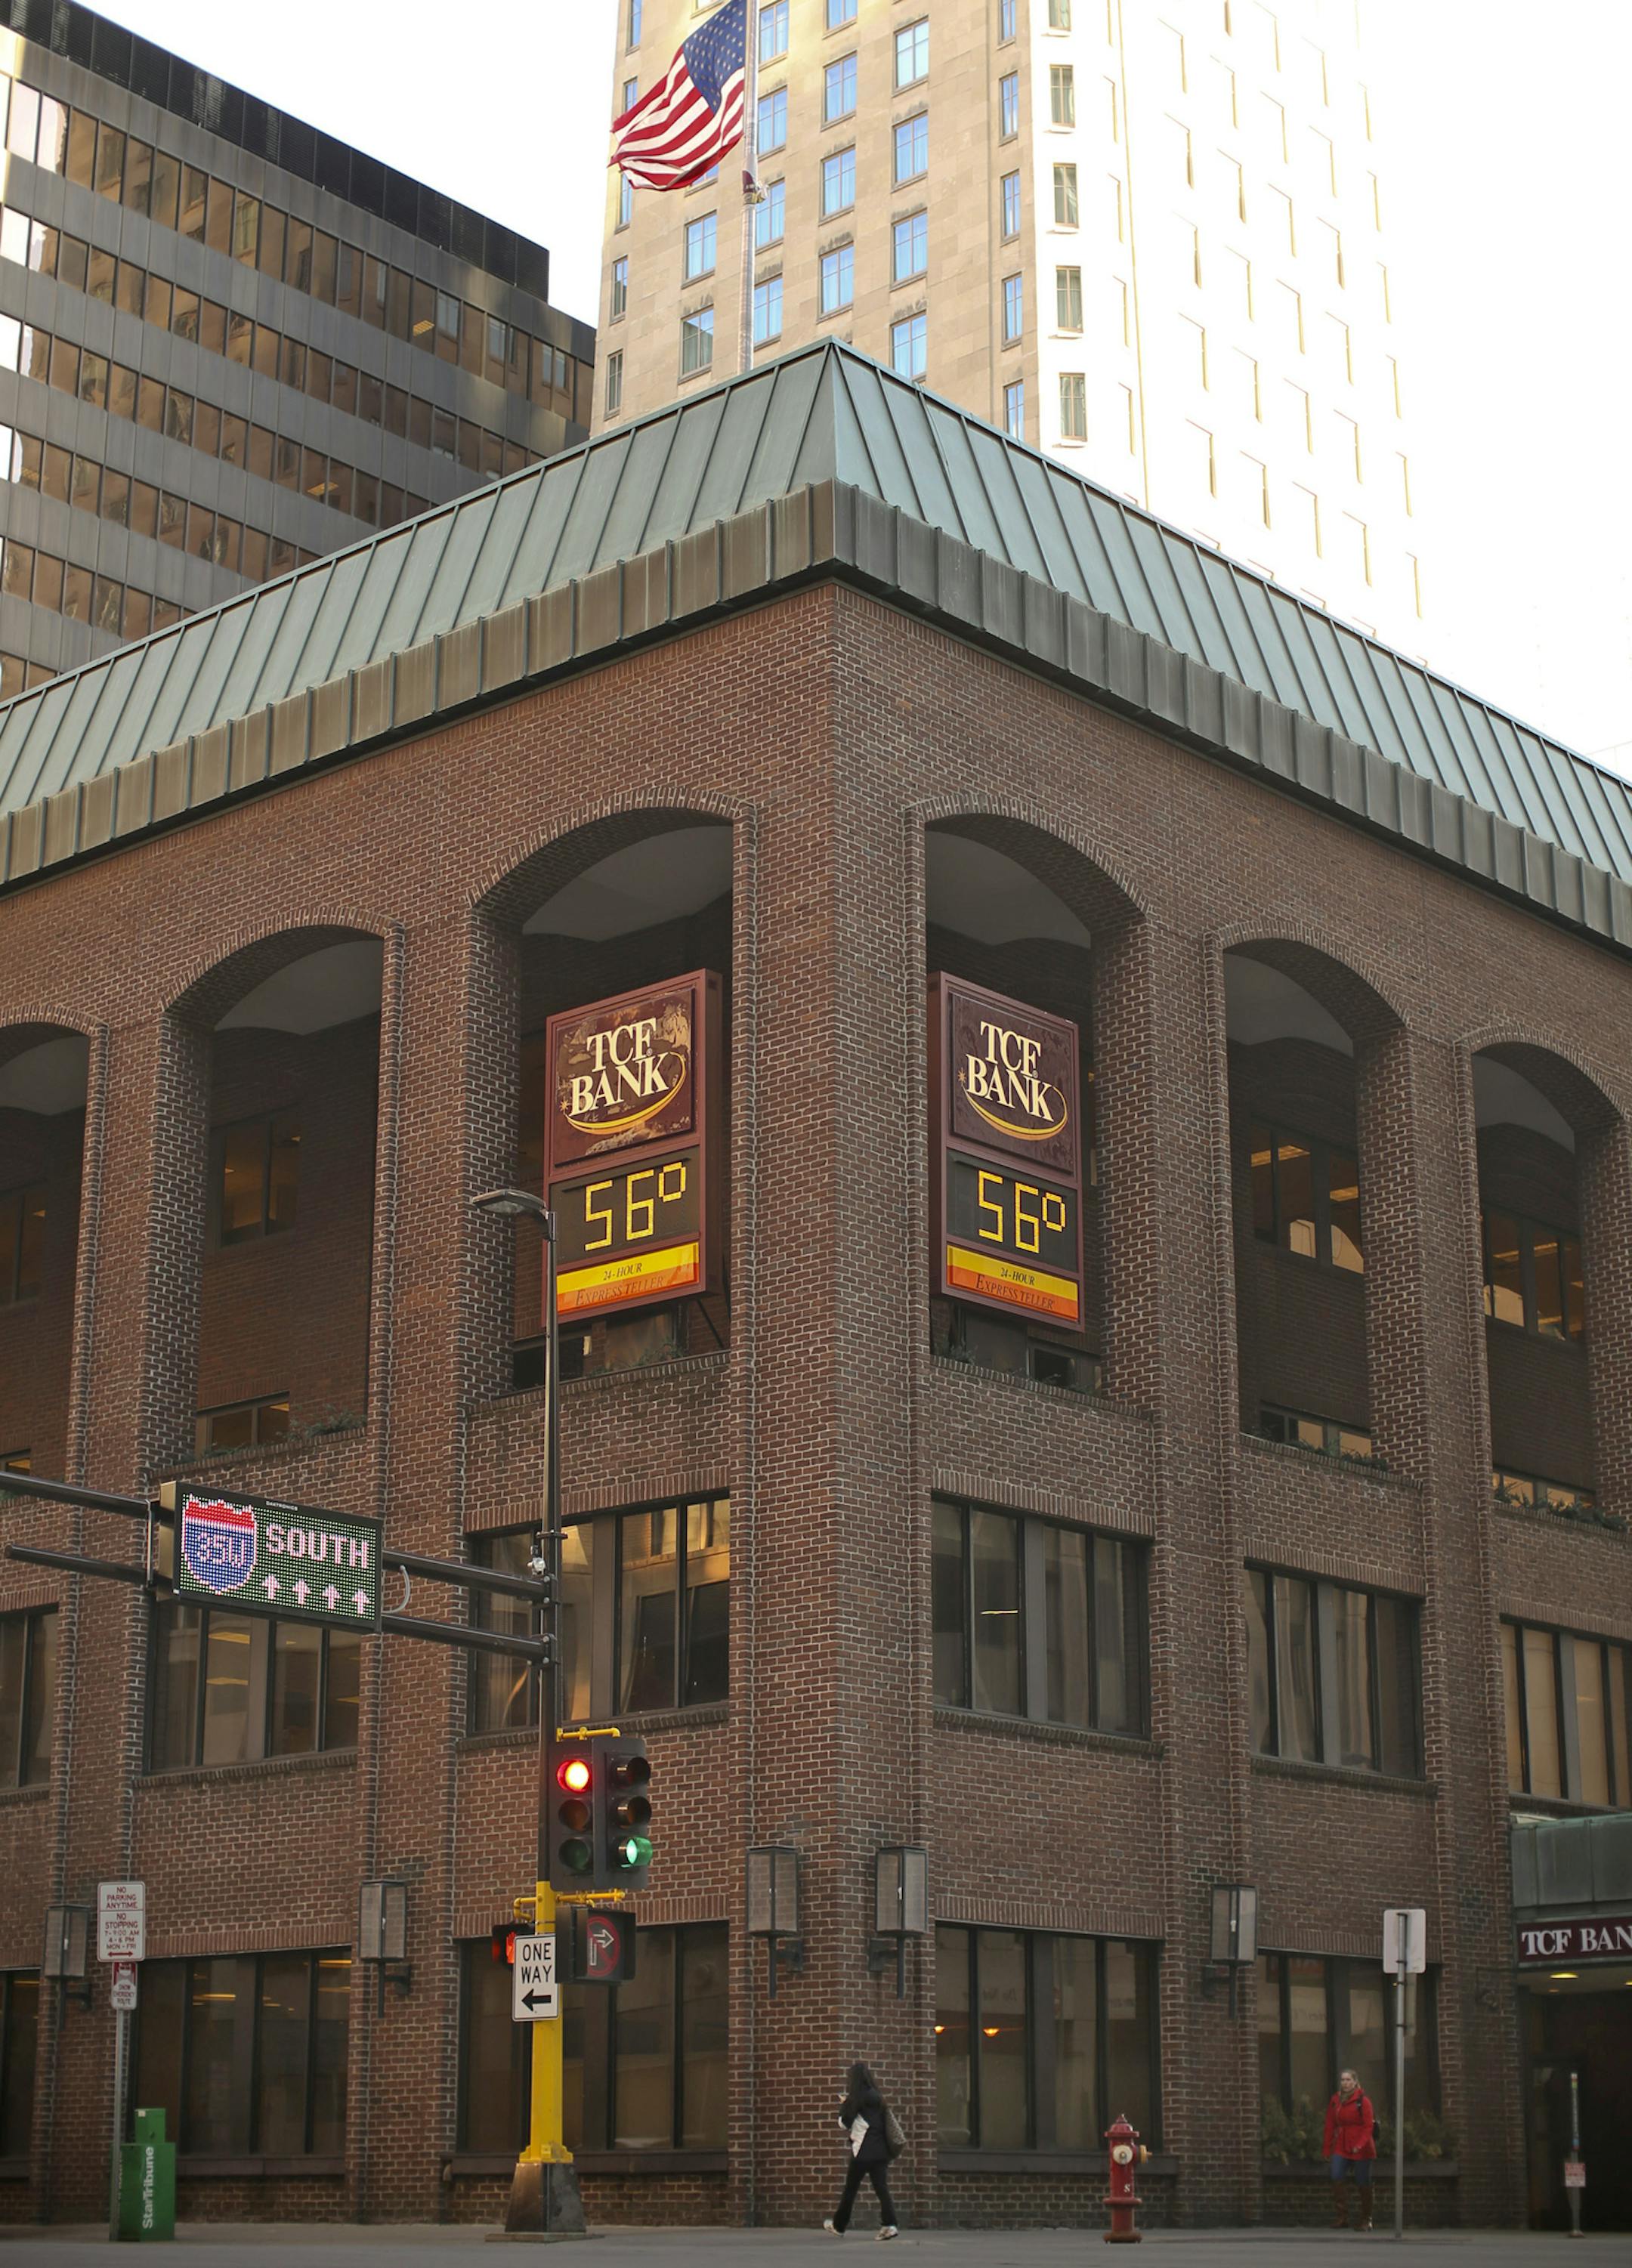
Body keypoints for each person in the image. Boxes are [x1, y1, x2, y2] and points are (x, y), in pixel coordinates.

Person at [822, 2060, 899, 2240]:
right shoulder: (877, 2097)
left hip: (862, 2151)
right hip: (881, 2151)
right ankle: (890, 2225)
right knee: (882, 2189)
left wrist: (844, 2104)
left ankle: (839, 2225)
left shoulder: (857, 2098)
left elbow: (844, 2124)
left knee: (850, 2190)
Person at [1324, 2066, 1377, 2231]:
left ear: (1355, 2082)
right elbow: (1330, 2124)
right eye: (1343, 2080)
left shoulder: (1363, 2101)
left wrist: (1359, 2144)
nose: (1345, 2083)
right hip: (1341, 2143)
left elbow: (1368, 2126)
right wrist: (1327, 2147)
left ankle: (1366, 2219)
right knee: (1336, 2175)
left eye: (1348, 2080)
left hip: (1361, 2145)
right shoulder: (1336, 2100)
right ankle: (1342, 2217)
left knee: (1363, 2181)